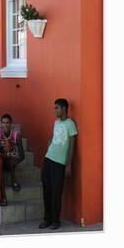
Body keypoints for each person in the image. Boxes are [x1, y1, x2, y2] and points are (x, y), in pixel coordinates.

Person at [39, 98, 78, 230]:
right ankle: (47, 219)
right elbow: (53, 137)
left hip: (59, 163)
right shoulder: (56, 122)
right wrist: (48, 148)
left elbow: (72, 145)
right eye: (54, 108)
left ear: (64, 109)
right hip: (48, 159)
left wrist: (69, 164)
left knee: (56, 193)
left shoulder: (71, 124)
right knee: (46, 191)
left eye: (56, 108)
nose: (54, 110)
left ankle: (56, 220)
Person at [0, 114, 25, 206]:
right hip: (1, 159)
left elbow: (22, 156)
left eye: (7, 123)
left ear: (11, 124)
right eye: (3, 123)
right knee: (0, 164)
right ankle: (3, 196)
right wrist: (7, 154)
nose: (5, 125)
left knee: (11, 161)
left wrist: (15, 160)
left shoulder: (16, 135)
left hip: (9, 161)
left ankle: (13, 180)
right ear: (1, 124)